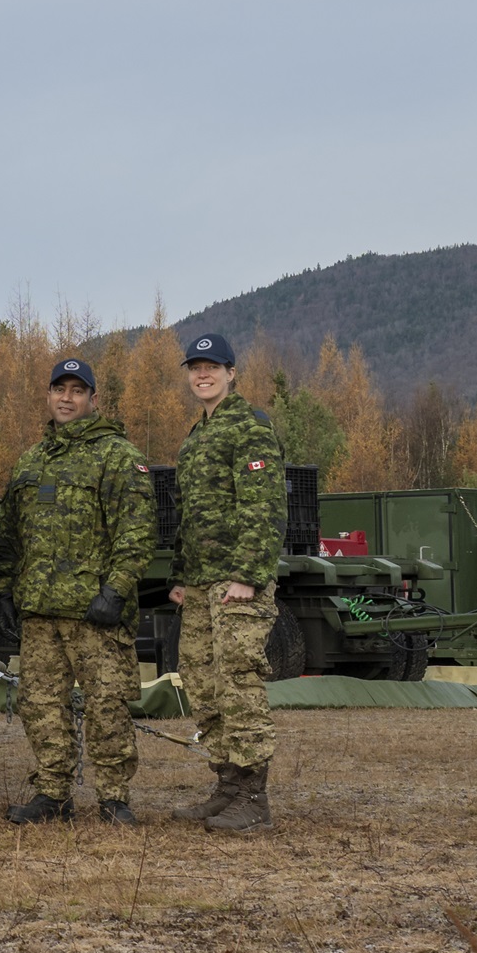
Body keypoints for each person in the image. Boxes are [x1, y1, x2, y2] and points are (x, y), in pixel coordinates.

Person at [0, 357, 157, 827]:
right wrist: (5, 593)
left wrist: (117, 590)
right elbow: (8, 536)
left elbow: (137, 532)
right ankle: (52, 793)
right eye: (59, 389)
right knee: (40, 704)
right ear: (48, 396)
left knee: (107, 704)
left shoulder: (118, 455)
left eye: (77, 391)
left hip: (95, 610)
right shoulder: (31, 460)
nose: (67, 398)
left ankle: (113, 797)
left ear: (93, 399)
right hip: (41, 612)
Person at [171, 332, 286, 834]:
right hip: (199, 583)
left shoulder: (250, 428)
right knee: (202, 680)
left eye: (212, 366)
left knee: (238, 680)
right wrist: (180, 578)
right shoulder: (195, 437)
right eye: (196, 367)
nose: (203, 374)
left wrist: (248, 576)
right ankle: (228, 786)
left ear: (232, 372)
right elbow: (188, 516)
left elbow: (263, 508)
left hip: (237, 582)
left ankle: (254, 800)